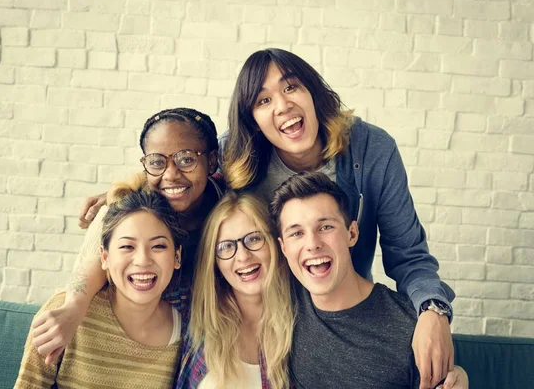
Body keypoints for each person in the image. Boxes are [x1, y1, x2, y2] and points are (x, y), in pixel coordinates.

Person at [222, 48, 456, 389]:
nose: (282, 105)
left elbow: (408, 255)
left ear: (314, 94)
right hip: (272, 320)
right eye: (263, 100)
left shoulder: (370, 149)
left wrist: (434, 311)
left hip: (340, 314)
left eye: (290, 87)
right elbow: (180, 182)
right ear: (252, 120)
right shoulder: (234, 155)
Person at [31, 108, 225, 364]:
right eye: (157, 162)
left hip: (203, 345)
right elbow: (95, 261)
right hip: (142, 342)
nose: (170, 174)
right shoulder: (130, 207)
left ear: (212, 161)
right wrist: (74, 308)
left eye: (186, 159)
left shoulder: (227, 207)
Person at [270, 171, 468, 389]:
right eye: (296, 233)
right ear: (283, 248)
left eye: (326, 227)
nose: (312, 243)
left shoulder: (411, 327)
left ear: (352, 234)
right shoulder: (283, 308)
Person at [15, 184, 186, 388]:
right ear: (104, 257)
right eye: (127, 246)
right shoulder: (62, 314)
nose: (142, 260)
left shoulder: (183, 332)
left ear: (177, 257)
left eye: (158, 246)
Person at [176, 192, 294, 388]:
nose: (242, 256)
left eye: (254, 238)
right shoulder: (194, 314)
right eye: (225, 247)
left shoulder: (302, 323)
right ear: (214, 262)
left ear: (275, 241)